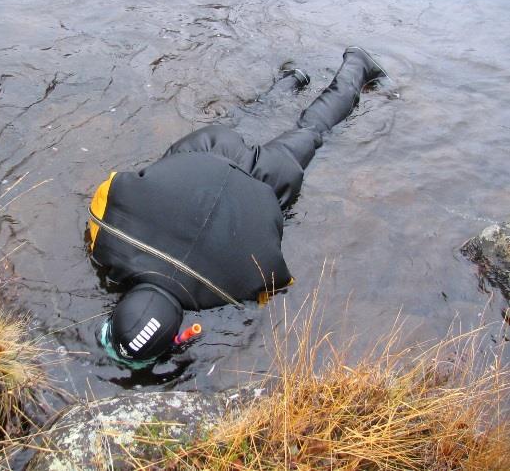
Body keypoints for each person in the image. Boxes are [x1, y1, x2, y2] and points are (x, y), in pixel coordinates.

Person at [88, 47, 387, 367]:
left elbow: (276, 279)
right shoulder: (106, 237)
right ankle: (290, 81)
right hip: (206, 149)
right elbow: (116, 182)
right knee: (239, 124)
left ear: (182, 336)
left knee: (313, 130)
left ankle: (358, 65)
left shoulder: (233, 293)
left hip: (268, 183)